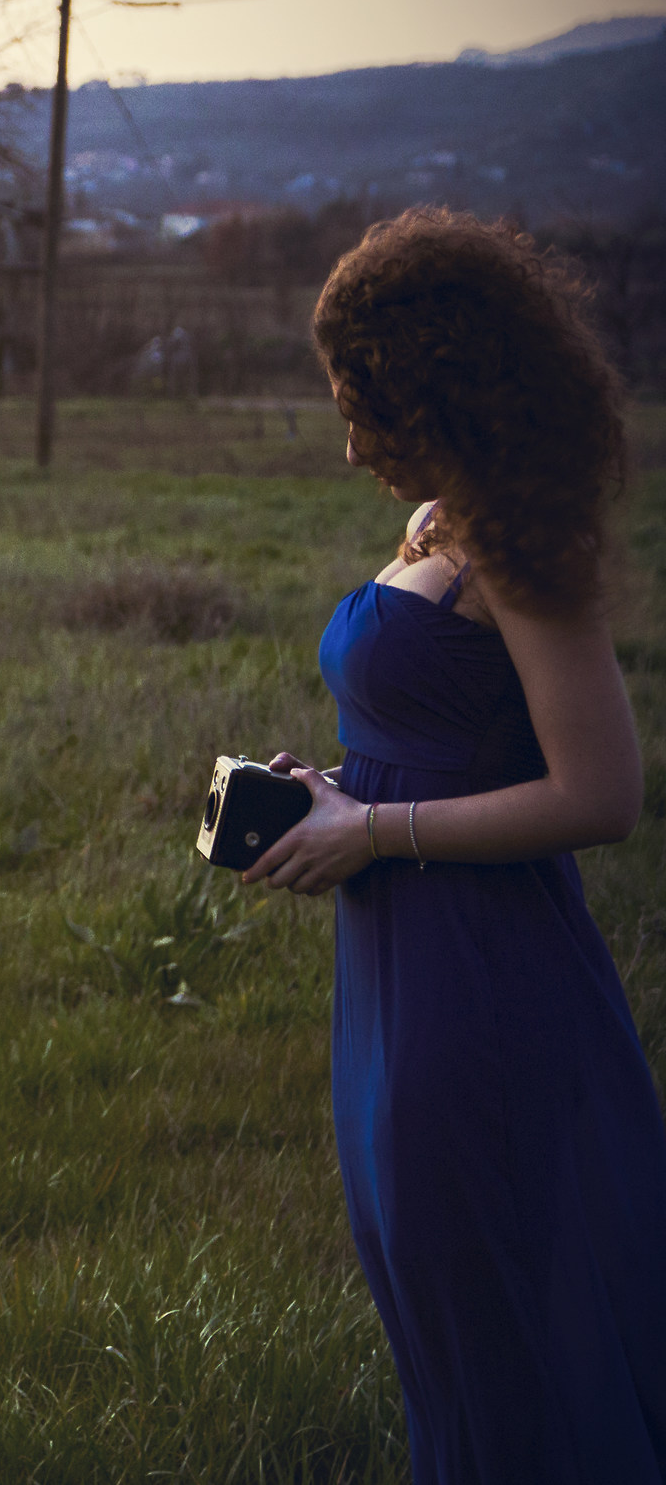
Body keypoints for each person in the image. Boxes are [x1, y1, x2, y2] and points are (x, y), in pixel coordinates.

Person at [248, 207, 666, 1479]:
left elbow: (603, 793)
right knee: (440, 1313)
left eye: (363, 392)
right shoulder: (439, 516)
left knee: (502, 1326)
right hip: (395, 967)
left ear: (437, 383)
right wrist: (330, 787)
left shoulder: (515, 541)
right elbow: (449, 729)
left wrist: (371, 825)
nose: (350, 425)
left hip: (480, 980)